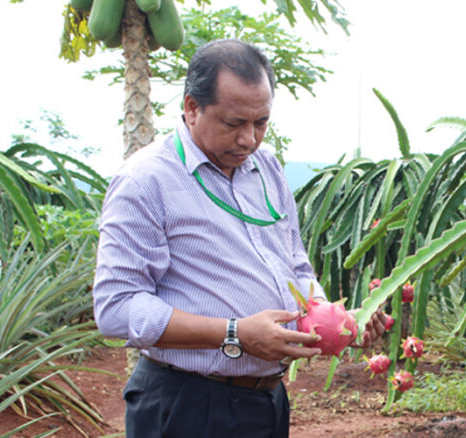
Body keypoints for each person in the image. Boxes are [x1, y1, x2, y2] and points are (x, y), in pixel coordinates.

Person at [93, 39, 388, 437]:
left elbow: (293, 264)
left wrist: (331, 322)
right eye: (234, 124)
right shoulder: (146, 182)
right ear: (192, 108)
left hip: (265, 401)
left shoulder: (265, 168)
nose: (249, 139)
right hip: (187, 403)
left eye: (261, 122)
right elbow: (117, 308)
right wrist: (234, 334)